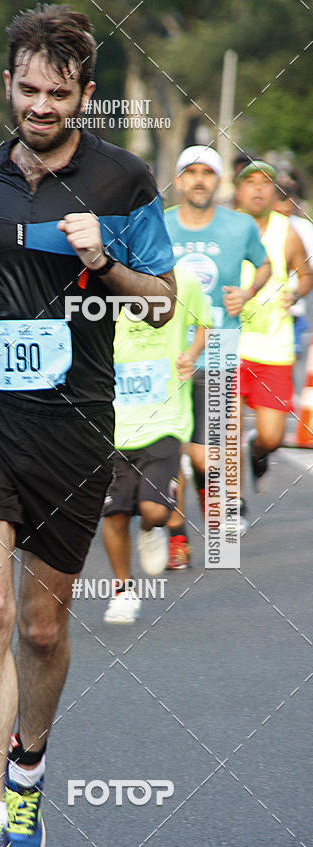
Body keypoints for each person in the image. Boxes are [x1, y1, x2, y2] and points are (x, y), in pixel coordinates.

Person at [0, 4, 176, 847]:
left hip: (76, 424)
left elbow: (162, 302)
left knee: (41, 626)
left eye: (57, 92)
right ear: (8, 84)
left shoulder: (124, 180)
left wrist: (107, 263)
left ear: (85, 93)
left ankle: (28, 767)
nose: (40, 105)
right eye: (27, 89)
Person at [164, 146, 270, 564]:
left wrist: (247, 291)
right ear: (179, 181)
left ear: (218, 181)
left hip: (221, 347)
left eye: (207, 172)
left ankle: (211, 489)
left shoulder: (239, 226)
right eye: (191, 172)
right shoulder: (160, 225)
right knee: (170, 447)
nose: (199, 180)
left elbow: (262, 266)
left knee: (209, 452)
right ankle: (176, 536)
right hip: (168, 351)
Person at [102, 266, 212, 623]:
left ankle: (151, 530)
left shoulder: (183, 279)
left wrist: (191, 354)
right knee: (115, 513)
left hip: (166, 418)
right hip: (114, 421)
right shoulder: (101, 281)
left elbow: (204, 324)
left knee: (153, 511)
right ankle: (122, 591)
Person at [235, 160, 312, 490]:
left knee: (272, 436)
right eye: (250, 182)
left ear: (272, 191)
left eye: (265, 182)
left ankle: (259, 448)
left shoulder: (287, 232)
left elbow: (305, 274)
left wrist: (294, 292)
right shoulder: (228, 227)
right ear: (239, 190)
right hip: (229, 344)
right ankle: (232, 504)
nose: (257, 188)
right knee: (226, 432)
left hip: (274, 349)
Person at [273, 174, 313, 358]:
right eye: (279, 214)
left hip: (293, 316)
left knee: (290, 374)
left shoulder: (302, 229)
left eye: (287, 213)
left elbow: (308, 274)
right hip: (254, 321)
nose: (283, 220)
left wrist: (295, 294)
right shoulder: (253, 228)